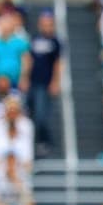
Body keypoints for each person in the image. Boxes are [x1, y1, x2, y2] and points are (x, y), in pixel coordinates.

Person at [27, 10, 63, 151]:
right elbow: (29, 60)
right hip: (32, 82)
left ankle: (44, 140)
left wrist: (55, 82)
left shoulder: (55, 42)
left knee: (41, 115)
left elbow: (57, 64)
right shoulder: (34, 39)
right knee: (31, 113)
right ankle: (35, 141)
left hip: (45, 83)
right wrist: (25, 78)